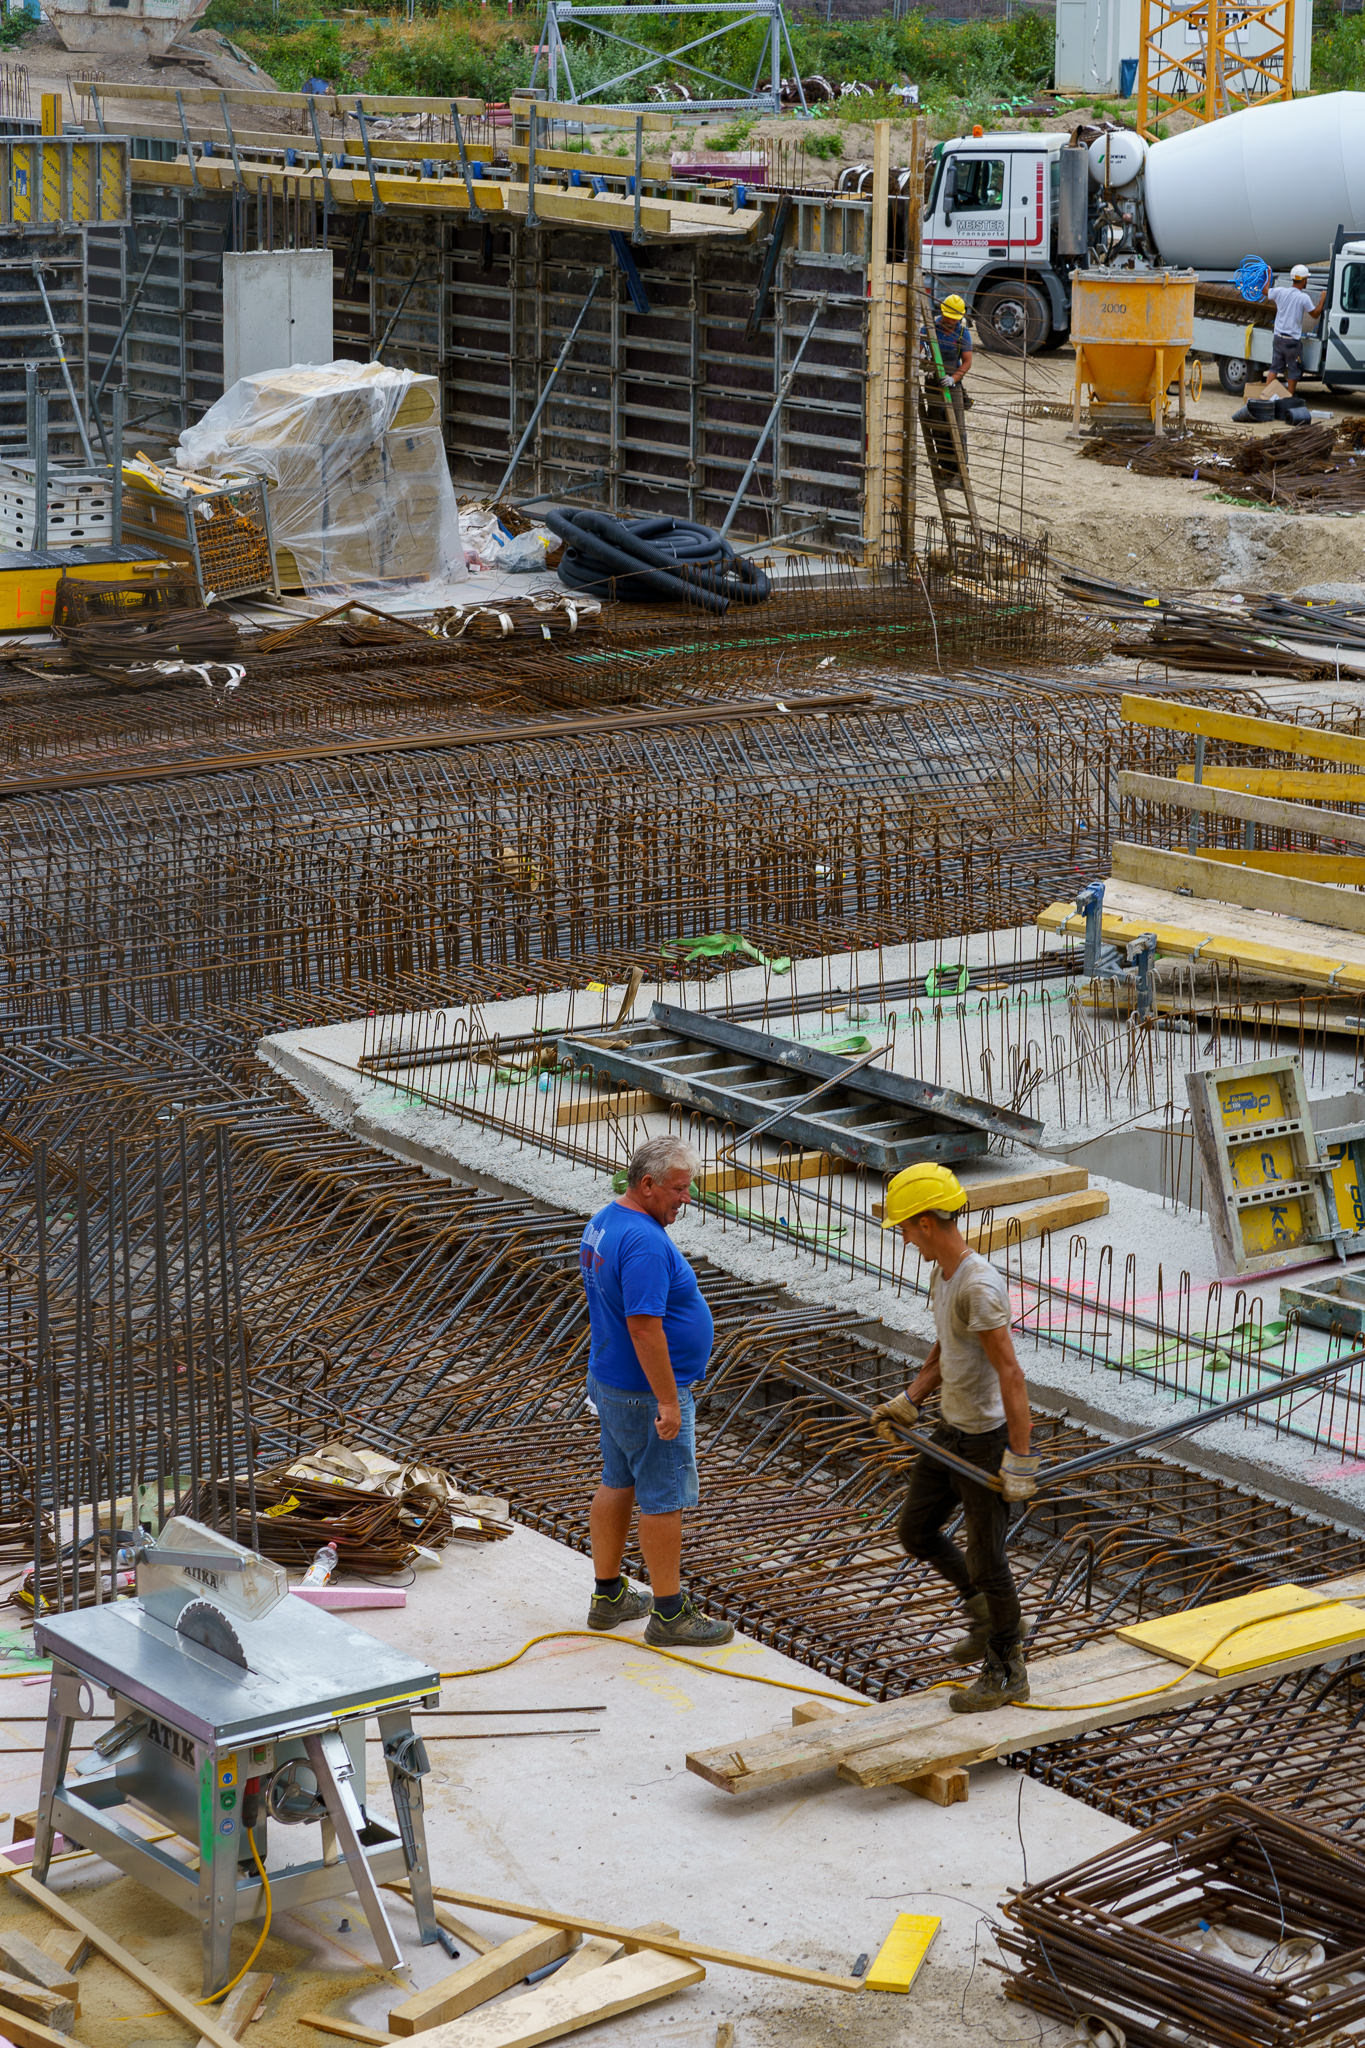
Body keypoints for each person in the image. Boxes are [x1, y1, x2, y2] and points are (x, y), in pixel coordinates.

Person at [871, 1162, 1039, 1712]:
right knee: (917, 1532)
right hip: (950, 1430)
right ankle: (984, 1612)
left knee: (988, 1561)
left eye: (902, 1226)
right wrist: (911, 1399)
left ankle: (1007, 1666)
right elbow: (947, 1348)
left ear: (924, 1222)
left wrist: (1019, 1456)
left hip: (985, 1440)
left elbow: (1011, 1373)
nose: (900, 1235)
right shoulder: (943, 1275)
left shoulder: (979, 1285)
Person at [579, 1135, 734, 1647]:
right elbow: (645, 1328)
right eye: (677, 1190)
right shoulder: (644, 1241)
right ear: (646, 1184)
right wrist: (669, 1401)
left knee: (617, 1481)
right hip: (645, 1395)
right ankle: (669, 1614)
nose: (685, 1199)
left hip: (612, 1380)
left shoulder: (607, 1220)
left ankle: (608, 1595)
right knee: (663, 1499)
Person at [1261, 262, 1326, 396]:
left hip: (1278, 337)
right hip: (1292, 342)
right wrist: (1322, 301)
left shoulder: (1280, 291)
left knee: (1274, 368)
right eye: (1306, 279)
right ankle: (1289, 397)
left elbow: (1265, 291)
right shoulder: (1303, 297)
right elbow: (1315, 314)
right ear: (1303, 280)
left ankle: (1264, 396)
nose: (1307, 281)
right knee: (1293, 369)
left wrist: (1268, 275)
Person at [928, 294, 974, 409]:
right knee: (935, 417)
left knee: (957, 421)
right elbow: (917, 350)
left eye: (954, 319)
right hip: (932, 382)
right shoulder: (930, 328)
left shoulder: (963, 333)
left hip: (953, 384)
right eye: (947, 317)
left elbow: (967, 362)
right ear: (942, 312)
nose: (950, 321)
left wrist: (953, 379)